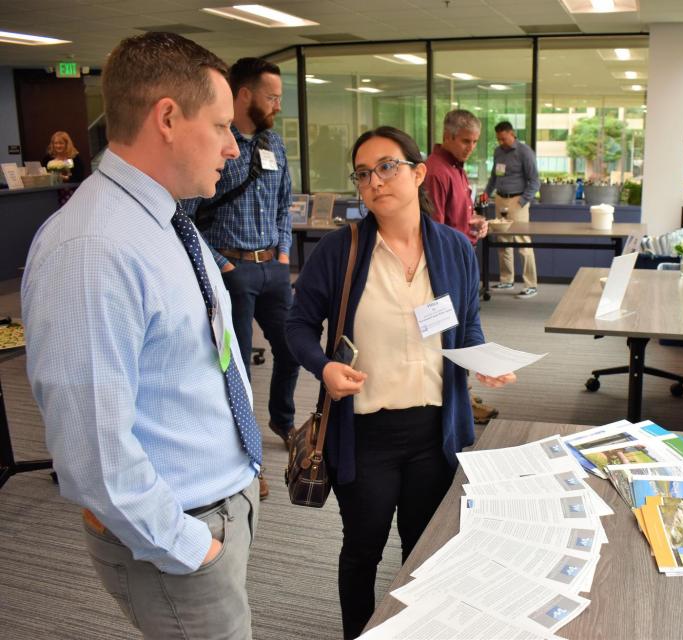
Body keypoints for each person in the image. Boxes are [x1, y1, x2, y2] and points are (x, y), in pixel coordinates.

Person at [22, 32, 260, 639]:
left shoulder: (165, 220)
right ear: (169, 118)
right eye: (222, 126)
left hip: (215, 505)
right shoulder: (94, 248)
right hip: (176, 535)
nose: (234, 148)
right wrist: (191, 547)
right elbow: (91, 456)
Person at [286, 126, 517, 639]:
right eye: (363, 174)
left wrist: (482, 359)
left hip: (436, 433)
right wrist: (323, 367)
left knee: (424, 549)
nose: (375, 181)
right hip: (365, 433)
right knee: (364, 549)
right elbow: (298, 326)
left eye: (387, 167)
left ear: (417, 174)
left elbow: (466, 323)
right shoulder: (340, 251)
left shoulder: (455, 249)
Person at [181, 57, 300, 502]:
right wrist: (223, 265)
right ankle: (248, 464)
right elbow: (184, 216)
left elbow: (284, 203)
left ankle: (283, 421)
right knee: (237, 370)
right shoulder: (214, 143)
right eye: (272, 97)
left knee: (292, 350)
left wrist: (284, 254)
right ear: (245, 95)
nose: (278, 105)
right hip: (231, 272)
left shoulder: (274, 144)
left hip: (272, 267)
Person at [423, 109, 499, 425]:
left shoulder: (456, 167)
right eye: (466, 141)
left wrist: (474, 223)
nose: (471, 147)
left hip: (461, 262)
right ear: (448, 136)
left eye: (475, 142)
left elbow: (454, 219)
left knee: (465, 330)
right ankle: (459, 401)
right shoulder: (436, 171)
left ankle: (463, 393)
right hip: (446, 268)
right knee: (450, 338)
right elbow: (433, 229)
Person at [482, 120, 540, 298]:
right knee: (503, 242)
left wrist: (522, 202)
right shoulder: (498, 152)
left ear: (512, 133)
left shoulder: (524, 152)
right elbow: (494, 176)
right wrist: (486, 192)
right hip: (500, 199)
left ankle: (531, 285)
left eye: (503, 139)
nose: (501, 142)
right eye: (498, 139)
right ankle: (507, 280)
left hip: (517, 200)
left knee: (523, 242)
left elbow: (535, 181)